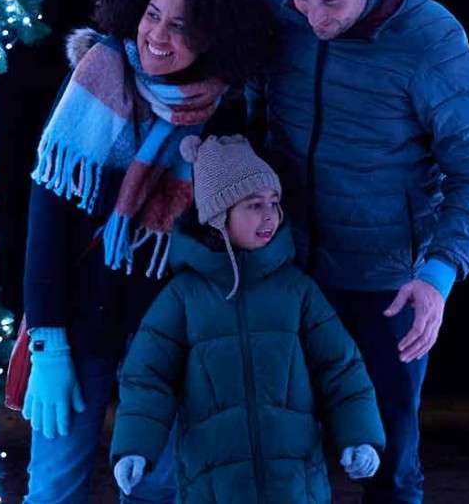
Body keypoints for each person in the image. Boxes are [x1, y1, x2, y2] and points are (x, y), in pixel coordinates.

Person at [254, 0, 469, 502]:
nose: (313, 16)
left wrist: (439, 276)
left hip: (386, 283)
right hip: (286, 264)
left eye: (331, 2)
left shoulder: (432, 44)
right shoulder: (272, 0)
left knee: (389, 460)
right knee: (280, 452)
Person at [21, 0, 274, 503]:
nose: (157, 36)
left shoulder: (224, 113)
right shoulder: (93, 81)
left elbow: (225, 246)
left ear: (214, 37)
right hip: (78, 325)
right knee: (53, 490)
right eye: (152, 15)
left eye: (180, 26)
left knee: (159, 491)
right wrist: (49, 345)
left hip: (164, 339)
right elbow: (47, 225)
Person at [110, 134, 386, 502]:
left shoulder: (298, 292)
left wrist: (360, 436)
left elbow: (341, 367)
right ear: (218, 217)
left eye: (273, 202)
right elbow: (148, 377)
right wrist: (135, 447)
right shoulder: (183, 297)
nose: (269, 215)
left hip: (294, 484)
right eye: (254, 205)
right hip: (214, 487)